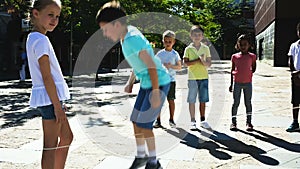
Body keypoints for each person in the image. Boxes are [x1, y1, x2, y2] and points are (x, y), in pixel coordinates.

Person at [96, 1, 170, 169]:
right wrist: (130, 82)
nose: (105, 34)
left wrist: (157, 93)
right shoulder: (126, 37)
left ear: (116, 24)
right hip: (147, 83)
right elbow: (140, 64)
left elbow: (151, 65)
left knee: (144, 124)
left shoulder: (132, 39)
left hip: (158, 82)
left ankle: (153, 162)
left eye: (105, 29)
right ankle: (141, 156)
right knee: (135, 121)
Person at [26, 0, 73, 168]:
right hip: (49, 100)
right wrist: (57, 106)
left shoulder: (36, 37)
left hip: (51, 99)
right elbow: (46, 77)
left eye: (57, 16)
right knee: (50, 146)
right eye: (50, 15)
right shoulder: (40, 40)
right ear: (36, 13)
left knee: (67, 137)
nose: (54, 20)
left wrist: (58, 103)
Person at [183, 25, 212, 130]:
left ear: (202, 36)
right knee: (192, 100)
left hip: (204, 77)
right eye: (195, 35)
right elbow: (185, 63)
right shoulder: (188, 49)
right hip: (192, 78)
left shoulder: (206, 48)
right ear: (191, 36)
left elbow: (208, 64)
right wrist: (197, 60)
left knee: (203, 100)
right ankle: (192, 121)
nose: (197, 36)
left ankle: (203, 120)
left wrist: (203, 61)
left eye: (199, 35)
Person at [153, 30, 181, 128]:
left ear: (173, 42)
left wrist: (171, 66)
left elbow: (179, 67)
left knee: (171, 100)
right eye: (166, 41)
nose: (168, 43)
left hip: (171, 81)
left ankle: (171, 119)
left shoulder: (175, 54)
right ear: (163, 41)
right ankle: (158, 120)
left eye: (170, 41)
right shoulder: (159, 54)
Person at [229, 34, 256, 131]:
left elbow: (253, 68)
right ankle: (233, 122)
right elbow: (232, 70)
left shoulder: (252, 56)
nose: (243, 46)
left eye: (245, 44)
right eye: (241, 44)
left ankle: (249, 122)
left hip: (248, 83)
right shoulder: (234, 57)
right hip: (237, 83)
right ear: (238, 45)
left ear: (249, 45)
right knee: (236, 103)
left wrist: (248, 74)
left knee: (248, 103)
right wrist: (231, 83)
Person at [286, 22, 300, 132]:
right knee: (295, 101)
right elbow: (290, 60)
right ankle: (295, 122)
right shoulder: (294, 45)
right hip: (296, 77)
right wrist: (293, 73)